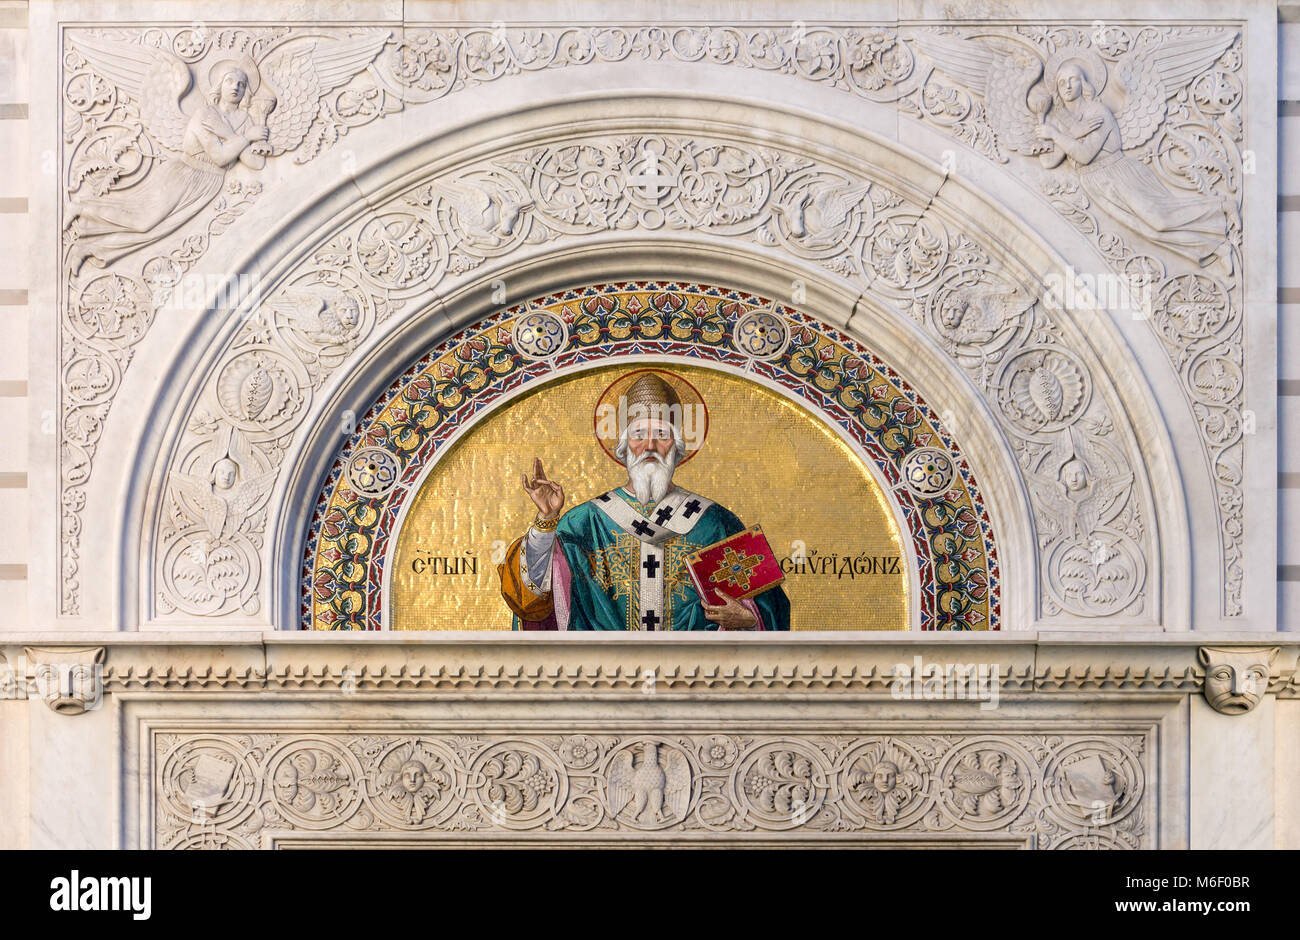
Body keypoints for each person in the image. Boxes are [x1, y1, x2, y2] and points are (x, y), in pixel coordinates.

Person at [498, 372, 790, 630]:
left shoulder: (716, 522)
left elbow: (771, 606)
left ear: (677, 447)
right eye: (639, 435)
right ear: (624, 448)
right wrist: (546, 521)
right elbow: (533, 599)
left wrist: (749, 621)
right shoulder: (585, 522)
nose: (650, 446)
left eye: (661, 435)